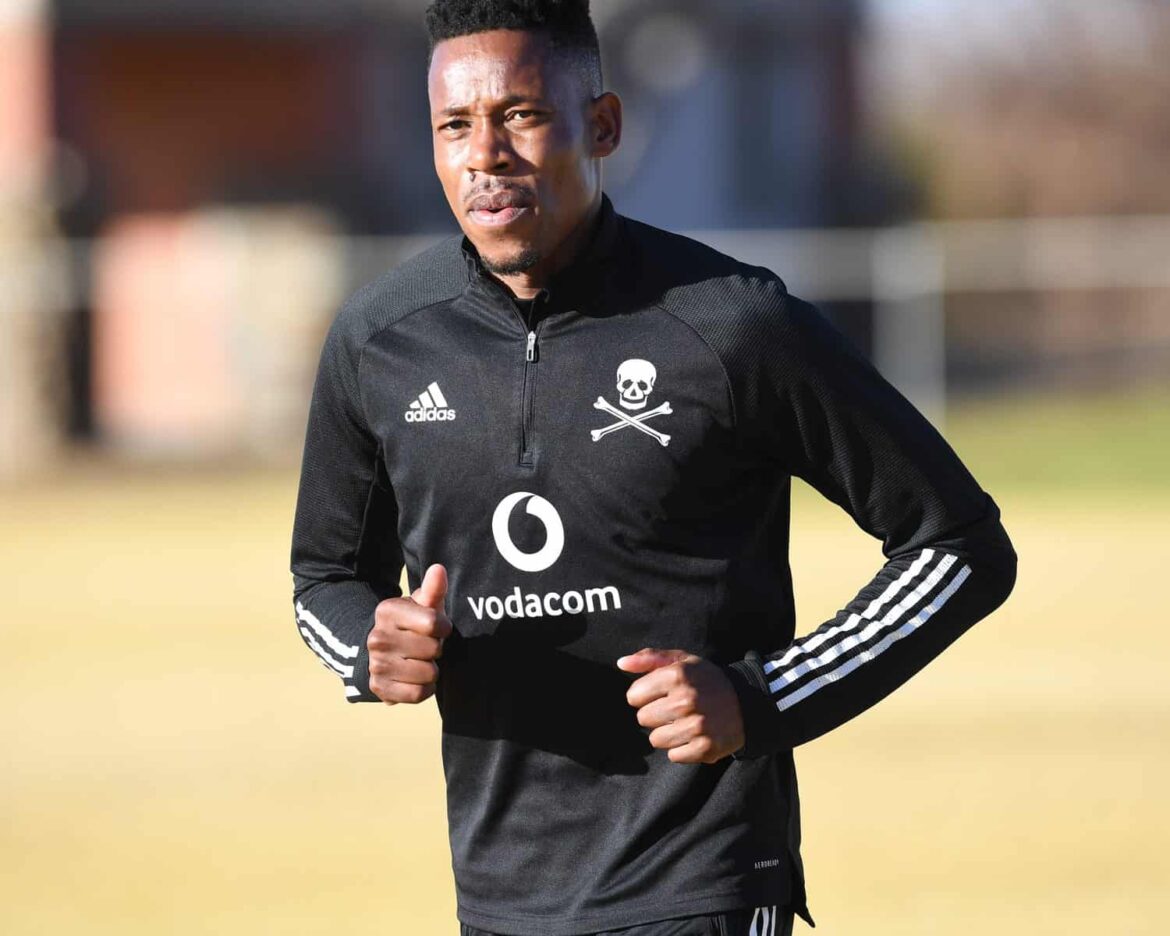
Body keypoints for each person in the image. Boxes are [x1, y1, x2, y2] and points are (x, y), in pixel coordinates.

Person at [289, 1, 1018, 934]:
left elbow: (958, 544)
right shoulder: (378, 340)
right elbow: (325, 577)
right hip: (501, 899)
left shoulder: (732, 324)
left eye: (521, 115)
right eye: (454, 126)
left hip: (703, 884)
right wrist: (367, 645)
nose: (485, 156)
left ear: (603, 125)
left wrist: (762, 697)